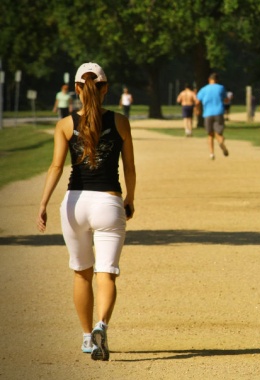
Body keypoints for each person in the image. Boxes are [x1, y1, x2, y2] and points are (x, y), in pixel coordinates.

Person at [36, 62, 136, 361]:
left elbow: (56, 167)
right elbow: (128, 166)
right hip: (108, 202)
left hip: (74, 204)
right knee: (106, 273)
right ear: (105, 88)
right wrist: (130, 198)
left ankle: (85, 337)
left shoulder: (65, 124)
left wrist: (42, 204)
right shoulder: (120, 121)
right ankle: (101, 326)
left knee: (82, 274)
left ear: (77, 89)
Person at [196, 73, 229, 160]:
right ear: (217, 80)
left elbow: (197, 101)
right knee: (219, 133)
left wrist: (197, 109)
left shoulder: (204, 89)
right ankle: (221, 142)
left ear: (209, 80)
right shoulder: (221, 87)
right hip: (219, 112)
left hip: (207, 113)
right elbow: (226, 99)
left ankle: (211, 153)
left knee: (210, 134)